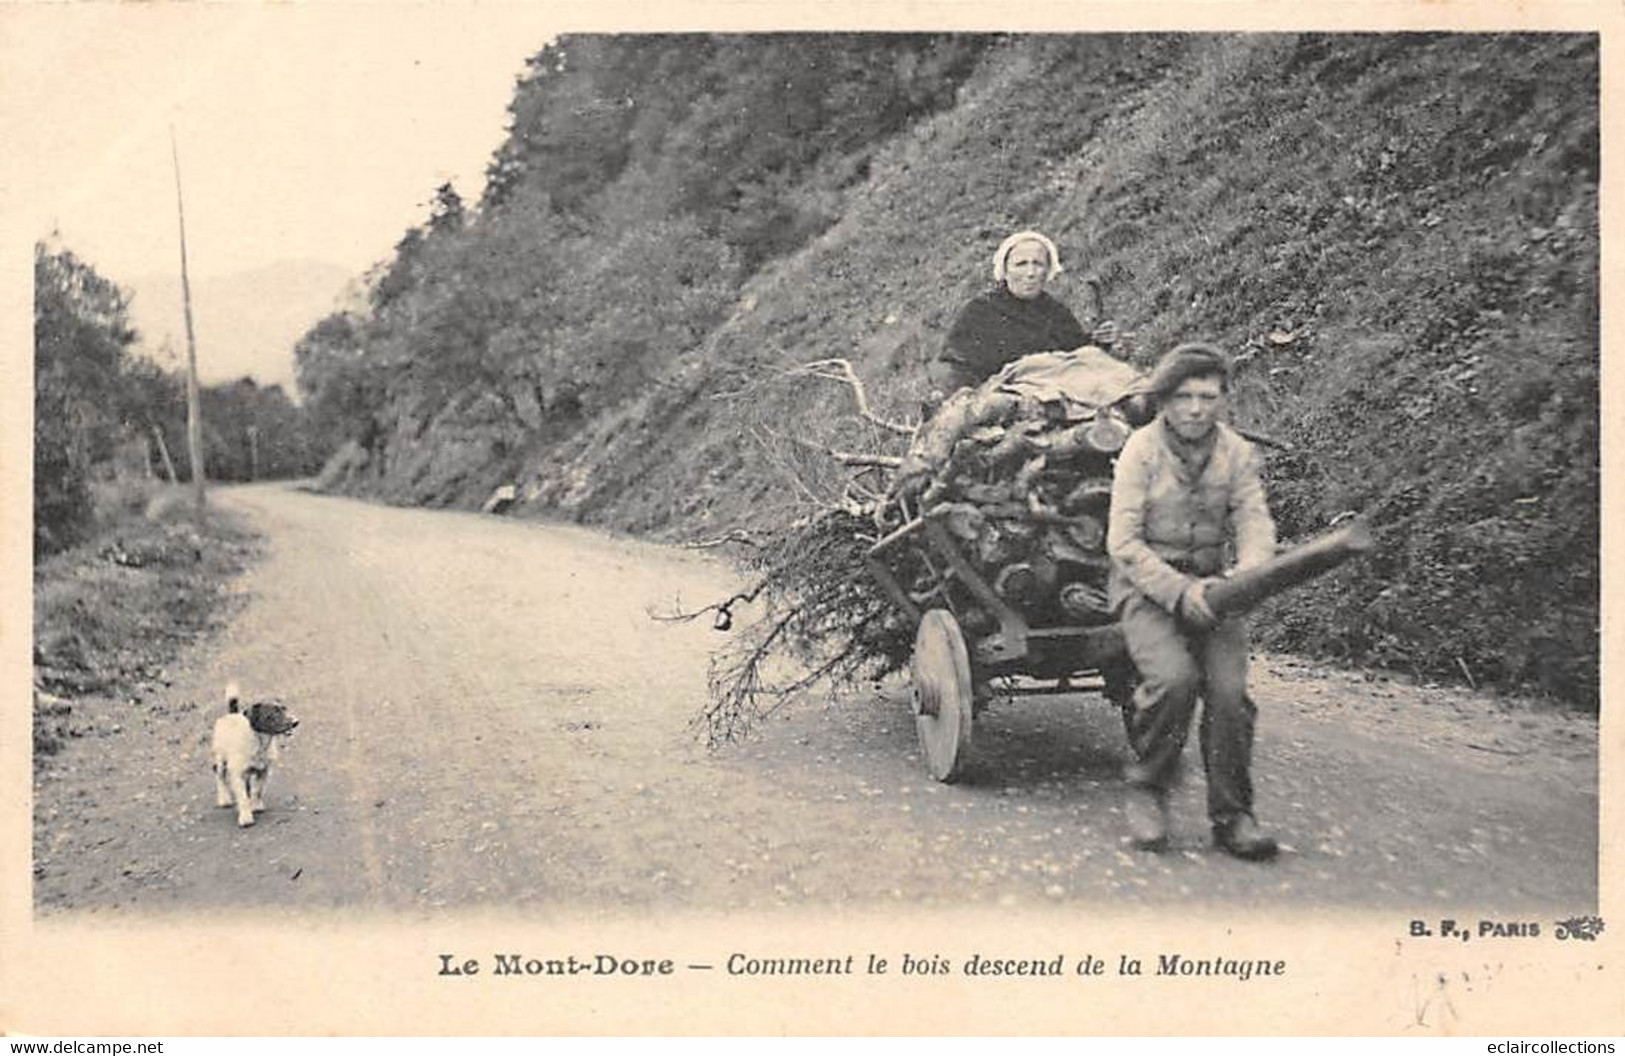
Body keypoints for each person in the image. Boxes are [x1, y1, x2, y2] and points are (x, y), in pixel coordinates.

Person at [1105, 342, 1280, 861]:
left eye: (1208, 396)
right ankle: (1147, 789)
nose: (1197, 408)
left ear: (1224, 399)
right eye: (1184, 397)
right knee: (1173, 681)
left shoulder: (1237, 453)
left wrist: (1246, 574)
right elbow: (1123, 543)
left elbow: (1254, 520)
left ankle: (1233, 816)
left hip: (1217, 590)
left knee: (1230, 695)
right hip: (1146, 589)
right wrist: (1180, 593)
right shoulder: (1139, 451)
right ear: (1164, 400)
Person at [927, 230, 1117, 403]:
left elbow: (1077, 357)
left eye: (1038, 264)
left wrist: (1099, 342)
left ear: (1048, 271)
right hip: (1001, 402)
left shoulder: (1056, 312)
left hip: (1057, 397)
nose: (1030, 273)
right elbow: (955, 366)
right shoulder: (980, 311)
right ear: (1005, 270)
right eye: (1021, 264)